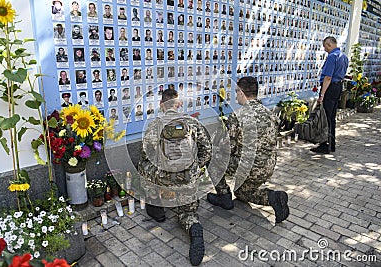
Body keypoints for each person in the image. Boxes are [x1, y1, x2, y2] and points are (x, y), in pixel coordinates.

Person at [138, 89, 211, 266]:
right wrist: (196, 169)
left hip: (164, 178)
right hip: (189, 180)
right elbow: (207, 150)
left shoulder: (156, 124)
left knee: (142, 166)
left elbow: (145, 153)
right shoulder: (192, 122)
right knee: (186, 212)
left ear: (162, 105)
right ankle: (194, 227)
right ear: (178, 104)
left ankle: (157, 208)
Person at [206, 76, 290, 224]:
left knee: (212, 158)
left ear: (241, 93)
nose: (235, 95)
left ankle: (224, 197)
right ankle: (274, 198)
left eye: (236, 91)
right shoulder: (270, 114)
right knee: (241, 193)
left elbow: (227, 150)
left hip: (247, 168)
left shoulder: (238, 116)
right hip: (267, 167)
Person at [310, 36, 348, 154]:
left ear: (329, 44)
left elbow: (327, 77)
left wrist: (322, 95)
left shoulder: (332, 56)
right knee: (331, 117)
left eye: (325, 46)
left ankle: (325, 144)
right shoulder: (344, 56)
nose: (324, 48)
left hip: (330, 88)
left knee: (325, 117)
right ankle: (331, 144)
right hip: (338, 87)